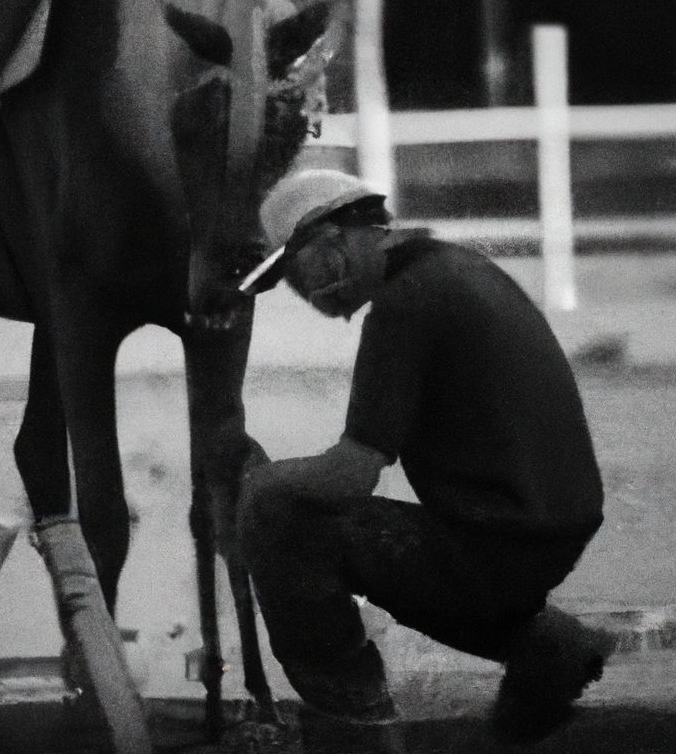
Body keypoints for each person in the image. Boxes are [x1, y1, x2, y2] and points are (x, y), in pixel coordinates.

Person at [237, 169, 614, 750]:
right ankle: (540, 644)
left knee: (281, 520)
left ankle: (353, 724)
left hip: (501, 542)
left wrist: (260, 483)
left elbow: (351, 474)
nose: (304, 292)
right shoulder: (455, 269)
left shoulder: (405, 304)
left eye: (297, 271)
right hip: (543, 530)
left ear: (334, 242)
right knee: (386, 547)